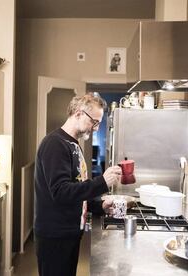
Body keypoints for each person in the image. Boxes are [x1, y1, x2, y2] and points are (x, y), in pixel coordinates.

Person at [34, 93, 122, 276]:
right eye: (94, 122)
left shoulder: (72, 144)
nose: (96, 128)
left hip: (69, 233)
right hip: (55, 236)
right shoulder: (55, 144)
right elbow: (60, 192)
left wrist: (99, 206)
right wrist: (102, 182)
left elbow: (75, 191)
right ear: (78, 113)